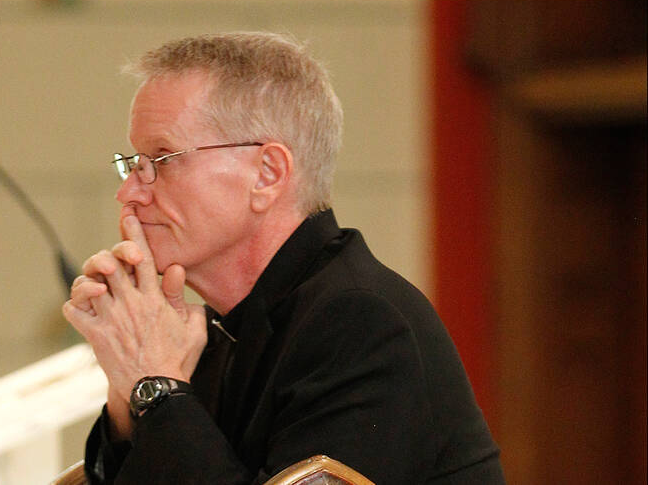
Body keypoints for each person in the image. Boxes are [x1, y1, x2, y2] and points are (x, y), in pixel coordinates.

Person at [62, 31, 505, 484]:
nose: (129, 192)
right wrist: (129, 391)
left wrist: (154, 384)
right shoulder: (215, 334)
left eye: (163, 159)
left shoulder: (360, 323)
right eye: (134, 163)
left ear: (267, 175)